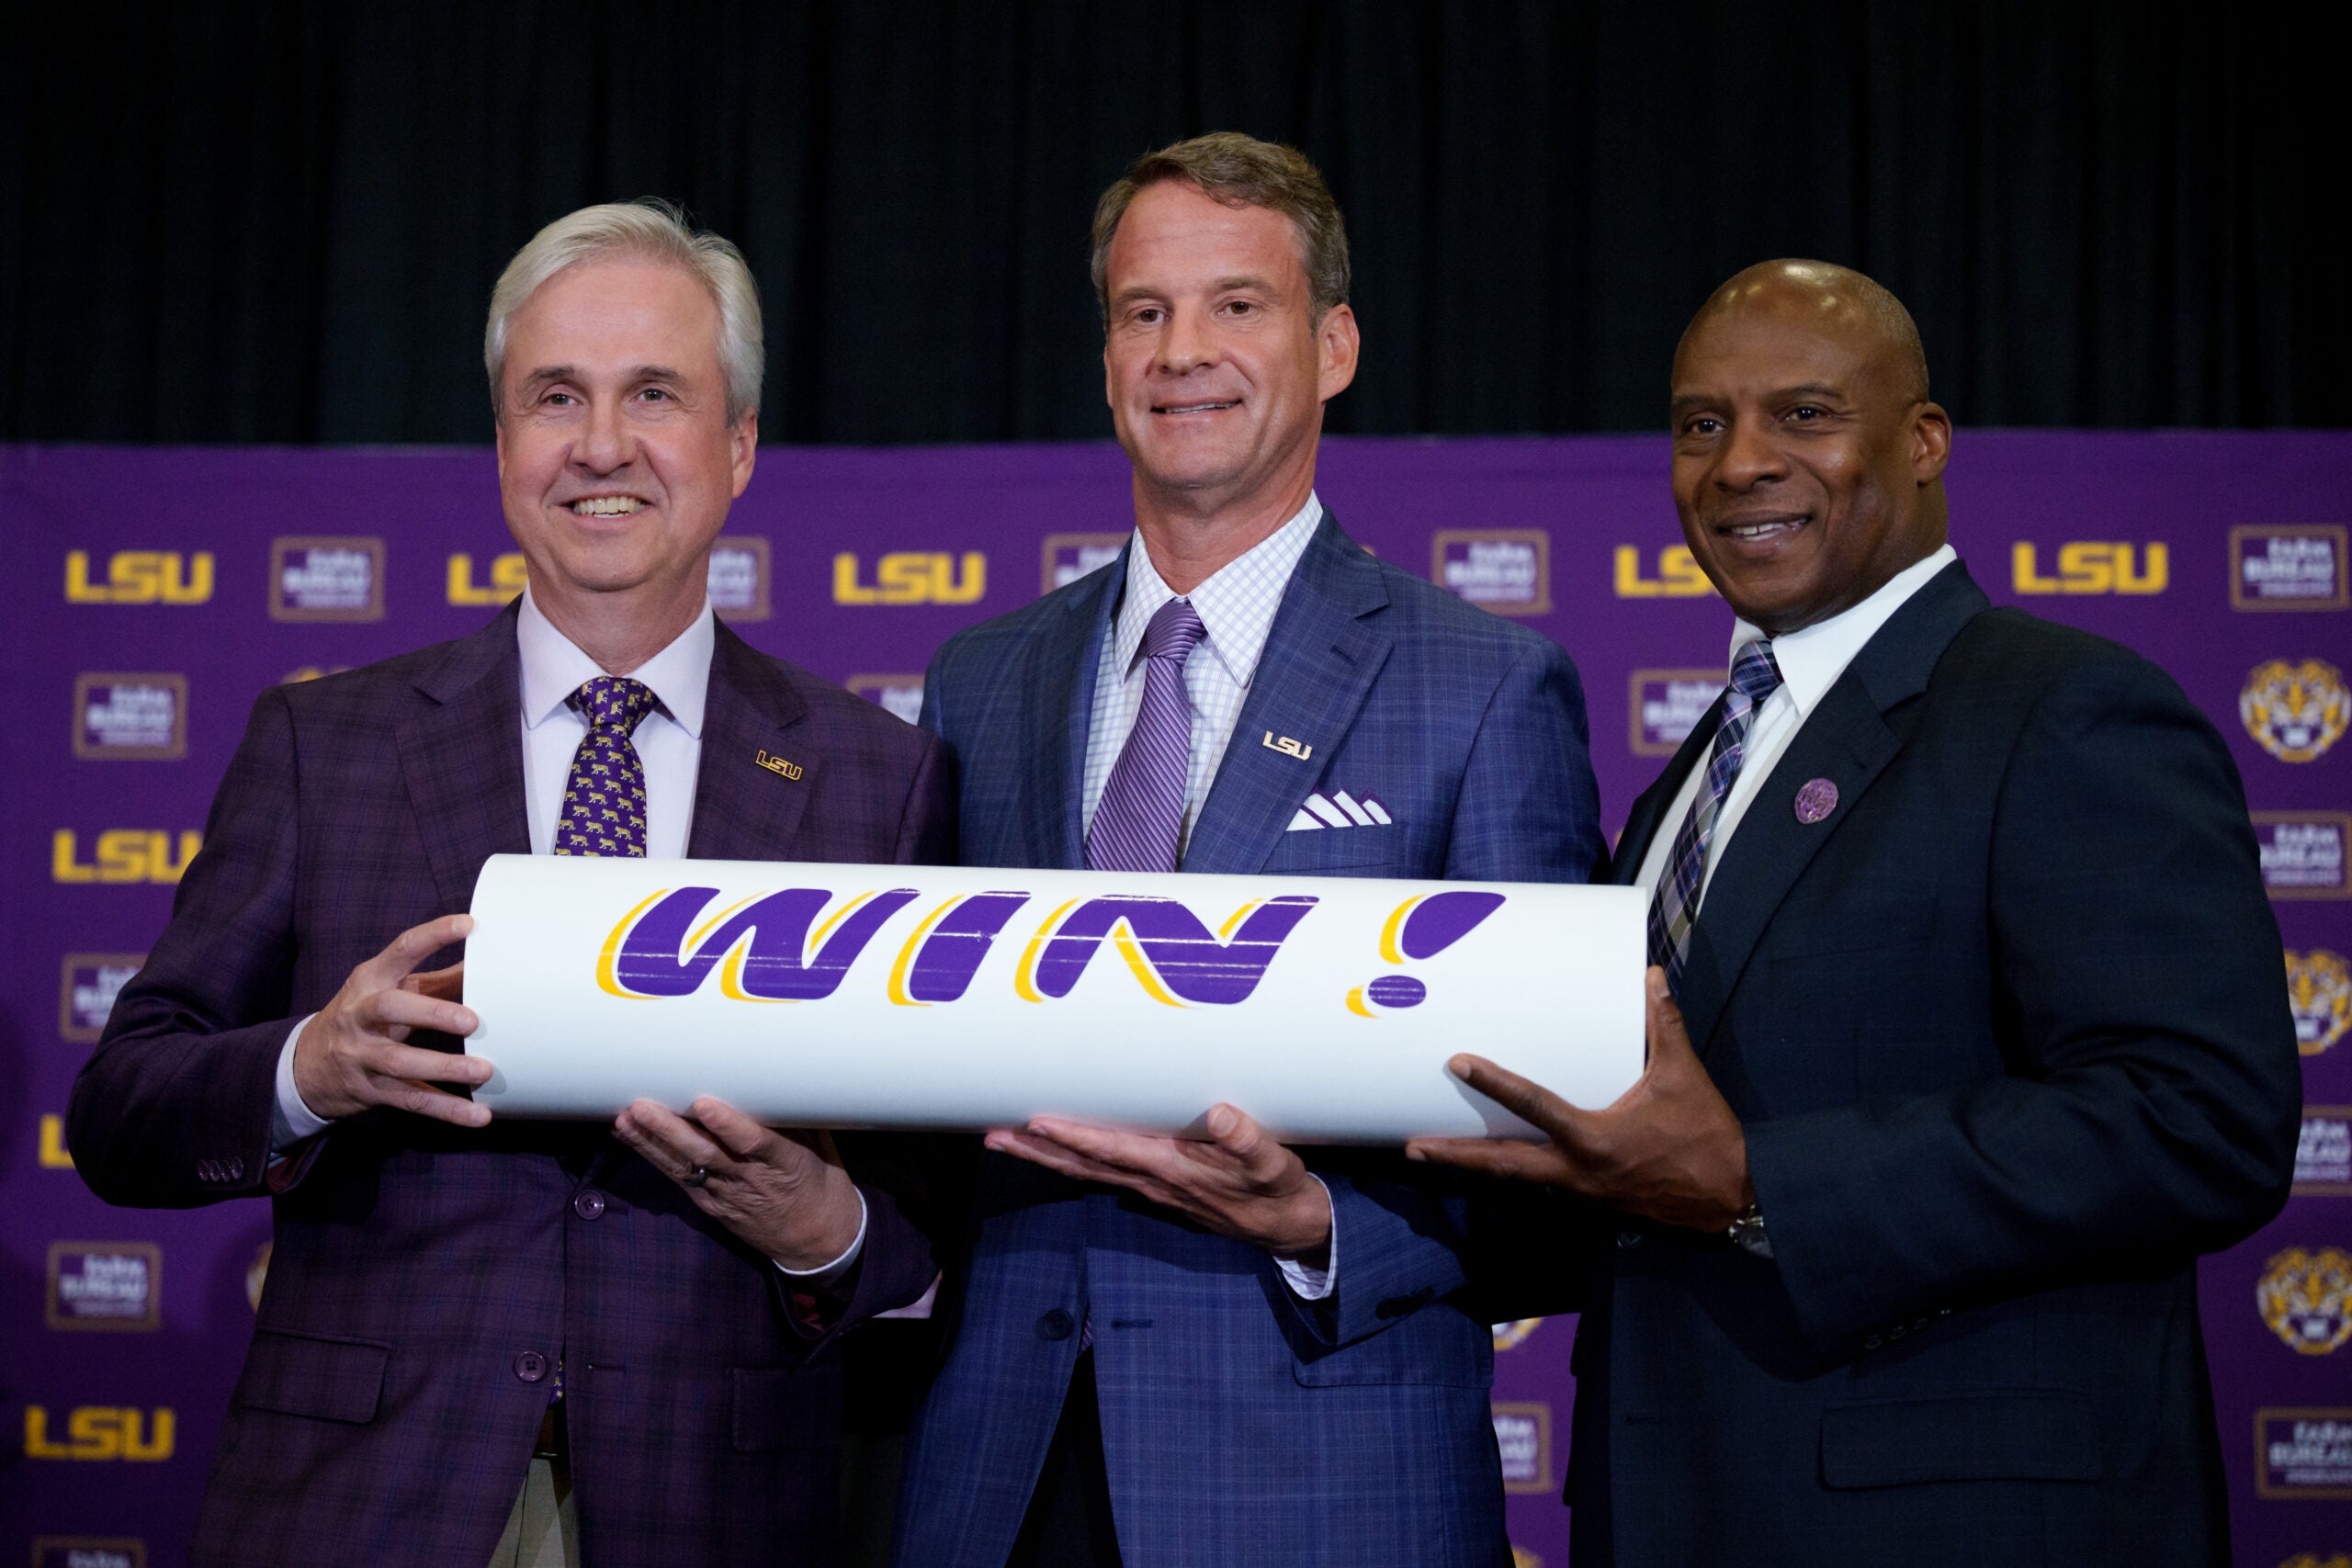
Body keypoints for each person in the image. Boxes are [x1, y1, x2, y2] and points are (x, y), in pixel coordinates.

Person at [67, 200, 955, 1567]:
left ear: (738, 447)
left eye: (655, 394)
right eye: (557, 397)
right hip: (364, 1508)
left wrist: (822, 1226)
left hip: (713, 1515)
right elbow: (124, 1115)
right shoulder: (324, 742)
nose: (603, 445)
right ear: (502, 447)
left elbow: (935, 1219)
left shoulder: (873, 777)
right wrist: (315, 1065)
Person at [1408, 260, 2301, 1565]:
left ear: (1924, 441)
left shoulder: (2065, 711)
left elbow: (2201, 1120)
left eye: (1805, 415)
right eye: (1701, 423)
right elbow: (1621, 1171)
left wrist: (1757, 1184)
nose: (1740, 464)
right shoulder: (1689, 786)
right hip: (1670, 1514)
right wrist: (1327, 1220)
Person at [894, 133, 1606, 1568]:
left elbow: (1560, 1163)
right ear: (1105, 358)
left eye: (1237, 305)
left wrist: (1316, 1223)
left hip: (1322, 1482)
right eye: (1143, 311)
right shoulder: (981, 679)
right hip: (1000, 1478)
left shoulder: (1481, 688)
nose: (1182, 352)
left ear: (1333, 345)